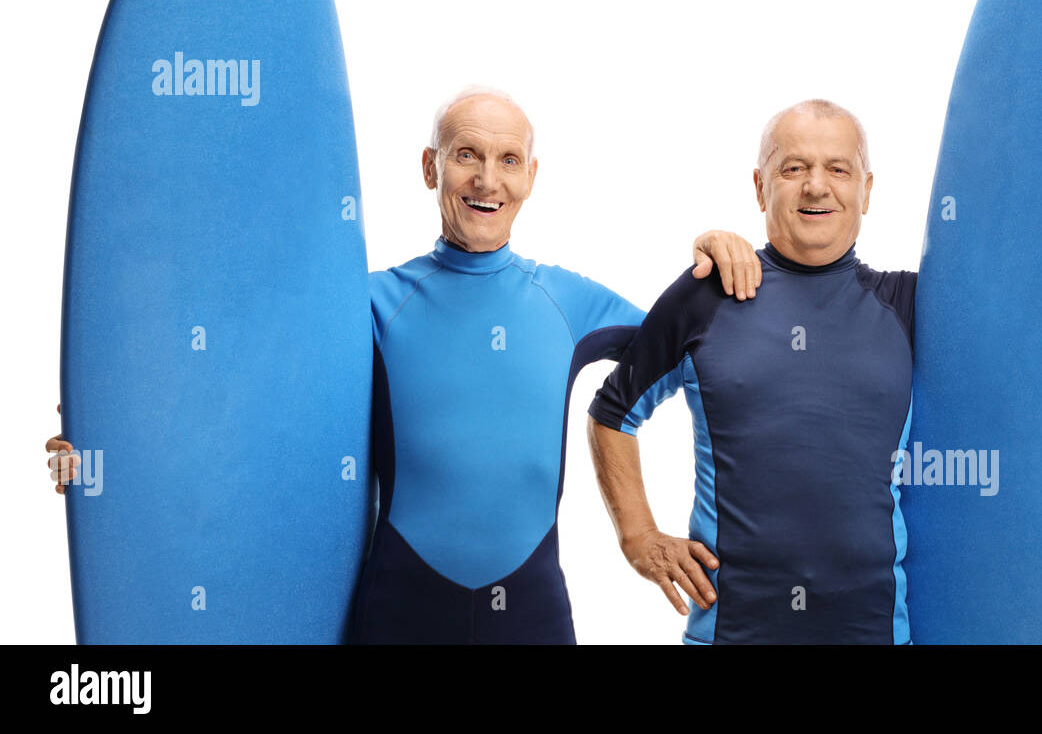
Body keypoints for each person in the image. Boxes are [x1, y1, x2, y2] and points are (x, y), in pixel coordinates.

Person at [47, 85, 764, 645]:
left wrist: (718, 251)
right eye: (465, 155)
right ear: (430, 167)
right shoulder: (369, 304)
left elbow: (701, 361)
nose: (486, 179)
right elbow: (224, 385)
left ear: (532, 177)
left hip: (533, 616)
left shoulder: (568, 301)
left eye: (508, 160)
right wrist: (103, 432)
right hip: (399, 610)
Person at [585, 98, 1042, 644]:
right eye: (794, 168)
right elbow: (613, 410)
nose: (817, 185)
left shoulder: (912, 309)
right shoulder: (709, 295)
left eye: (839, 168)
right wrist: (638, 536)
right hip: (732, 632)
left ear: (867, 190)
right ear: (760, 186)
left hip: (874, 632)